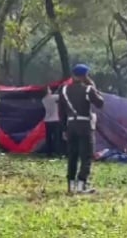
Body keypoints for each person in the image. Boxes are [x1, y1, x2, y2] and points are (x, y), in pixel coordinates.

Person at [58, 64, 104, 194]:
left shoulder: (64, 89)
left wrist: (63, 129)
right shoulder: (88, 89)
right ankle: (81, 185)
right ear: (85, 76)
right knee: (86, 156)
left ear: (73, 75)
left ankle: (70, 185)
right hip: (84, 125)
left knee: (72, 155)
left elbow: (61, 111)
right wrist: (94, 87)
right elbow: (100, 103)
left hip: (70, 125)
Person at [42, 86, 62, 159]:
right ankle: (58, 153)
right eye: (49, 89)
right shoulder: (54, 97)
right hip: (55, 120)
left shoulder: (43, 99)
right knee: (57, 138)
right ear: (48, 91)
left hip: (47, 120)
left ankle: (49, 153)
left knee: (49, 138)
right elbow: (61, 97)